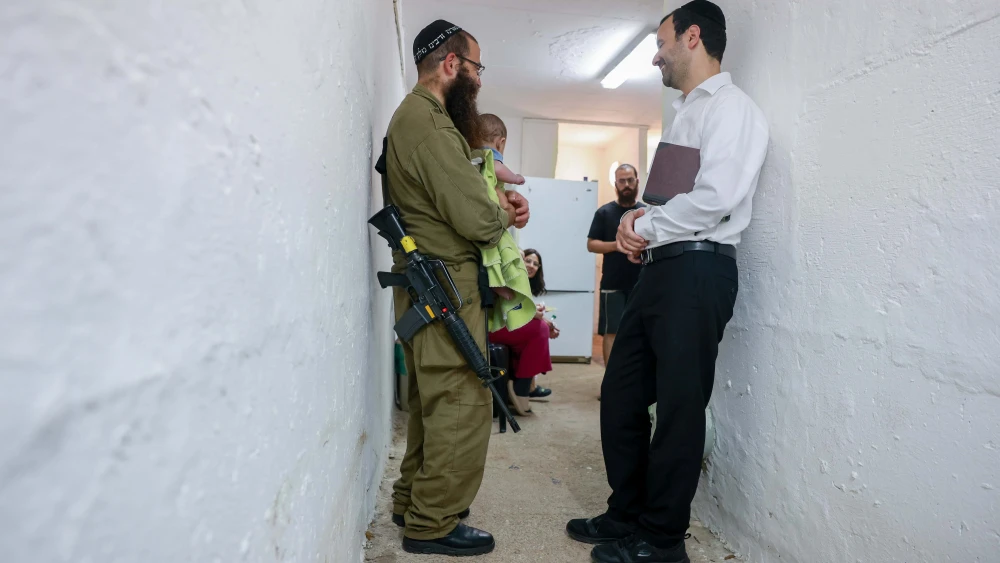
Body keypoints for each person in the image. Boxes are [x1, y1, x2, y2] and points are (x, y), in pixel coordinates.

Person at [566, 2, 769, 563]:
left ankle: (661, 540)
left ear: (693, 37)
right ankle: (626, 513)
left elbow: (716, 199)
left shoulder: (733, 110)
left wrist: (646, 224)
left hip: (699, 268)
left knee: (680, 407)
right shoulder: (683, 115)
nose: (655, 54)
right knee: (622, 394)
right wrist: (636, 221)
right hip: (660, 270)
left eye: (661, 42)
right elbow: (667, 200)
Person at [383, 19, 530, 557]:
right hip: (444, 286)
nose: (479, 81)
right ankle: (432, 522)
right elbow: (474, 216)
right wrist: (502, 217)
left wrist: (498, 208)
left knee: (431, 399)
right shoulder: (428, 124)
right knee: (462, 402)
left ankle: (411, 501)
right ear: (451, 65)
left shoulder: (420, 121)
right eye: (476, 68)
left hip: (429, 286)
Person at [588, 164, 646, 400]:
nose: (626, 185)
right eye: (622, 181)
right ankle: (611, 383)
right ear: (615, 184)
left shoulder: (646, 213)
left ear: (637, 182)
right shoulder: (604, 213)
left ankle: (636, 382)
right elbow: (591, 244)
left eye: (630, 180)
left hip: (642, 283)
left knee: (641, 333)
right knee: (611, 332)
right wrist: (617, 245)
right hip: (612, 282)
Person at [489, 248, 558, 415]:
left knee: (537, 331)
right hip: (493, 325)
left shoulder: (520, 282)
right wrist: (538, 317)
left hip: (502, 324)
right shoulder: (508, 275)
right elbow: (509, 308)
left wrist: (538, 316)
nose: (531, 266)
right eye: (527, 260)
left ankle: (524, 385)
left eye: (536, 264)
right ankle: (522, 387)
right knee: (539, 330)